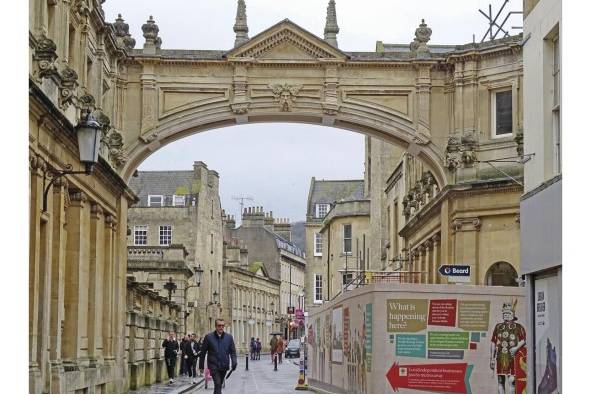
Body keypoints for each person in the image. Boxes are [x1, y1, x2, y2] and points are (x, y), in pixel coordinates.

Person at [490, 300, 526, 394]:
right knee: (500, 381)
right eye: (504, 313)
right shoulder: (498, 326)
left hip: (512, 357)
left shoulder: (518, 327)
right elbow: (493, 342)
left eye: (508, 313)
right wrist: (492, 358)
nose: (506, 314)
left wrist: (516, 348)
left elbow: (524, 340)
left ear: (513, 314)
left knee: (512, 381)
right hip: (500, 357)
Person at [199, 319, 237, 394]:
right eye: (219, 326)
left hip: (224, 365)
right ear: (216, 326)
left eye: (223, 326)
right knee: (218, 383)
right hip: (213, 366)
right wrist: (201, 366)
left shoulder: (229, 338)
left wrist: (234, 361)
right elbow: (202, 353)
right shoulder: (208, 337)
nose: (221, 327)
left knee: (218, 386)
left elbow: (233, 352)